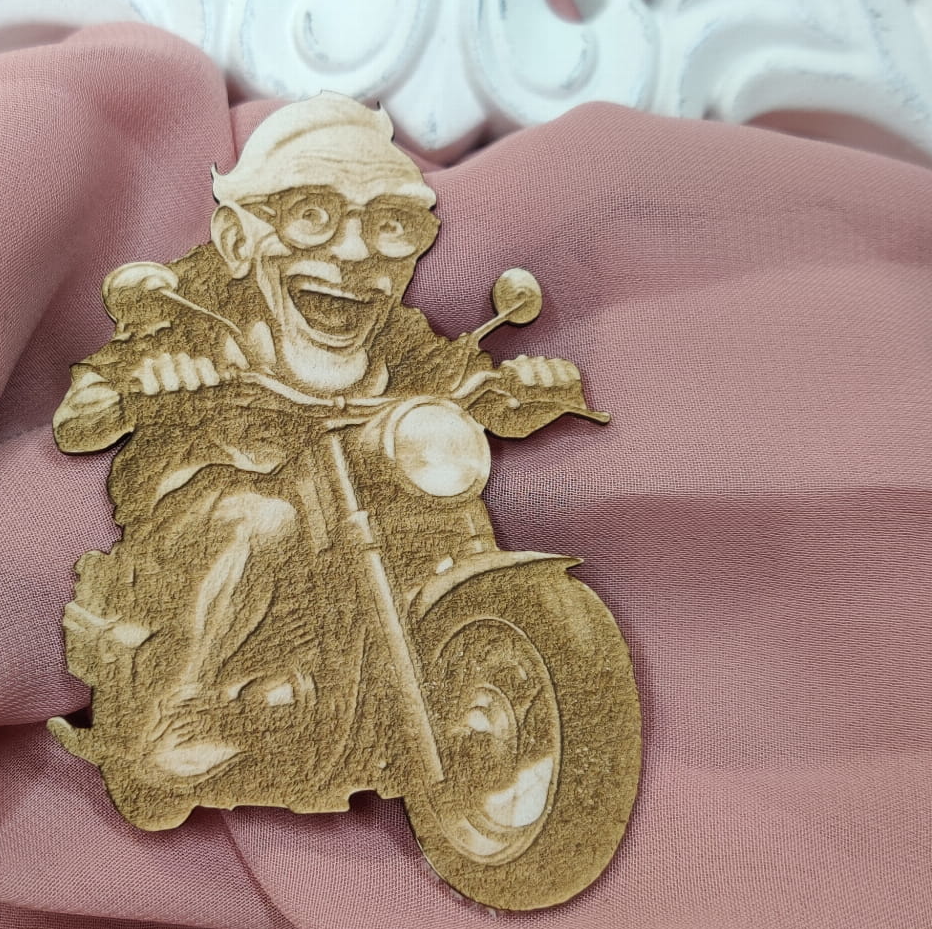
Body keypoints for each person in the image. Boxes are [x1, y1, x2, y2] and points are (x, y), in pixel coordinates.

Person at [53, 94, 584, 781]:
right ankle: (177, 710)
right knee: (265, 519)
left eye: (391, 227)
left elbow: (459, 379)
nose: (355, 253)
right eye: (312, 216)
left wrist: (521, 389)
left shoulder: (394, 332)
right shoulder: (188, 305)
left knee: (438, 505)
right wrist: (146, 382)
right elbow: (80, 416)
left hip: (357, 501)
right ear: (239, 238)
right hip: (200, 523)